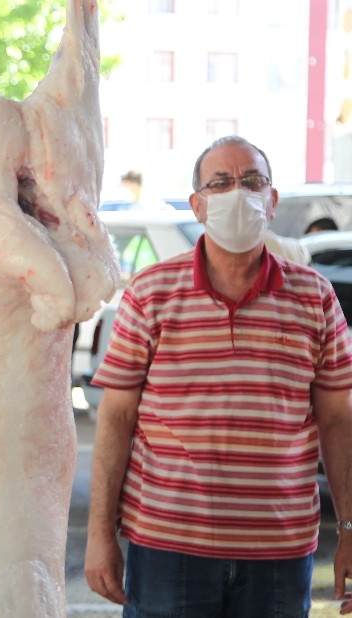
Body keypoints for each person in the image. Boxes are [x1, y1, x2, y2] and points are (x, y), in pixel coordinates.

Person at [84, 135, 352, 617]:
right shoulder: (151, 293)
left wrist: (349, 530)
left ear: (271, 201)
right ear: (198, 205)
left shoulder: (315, 298)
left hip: (280, 553)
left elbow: (338, 420)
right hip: (168, 547)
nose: (238, 193)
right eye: (221, 182)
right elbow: (116, 418)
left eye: (252, 181)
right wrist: (100, 535)